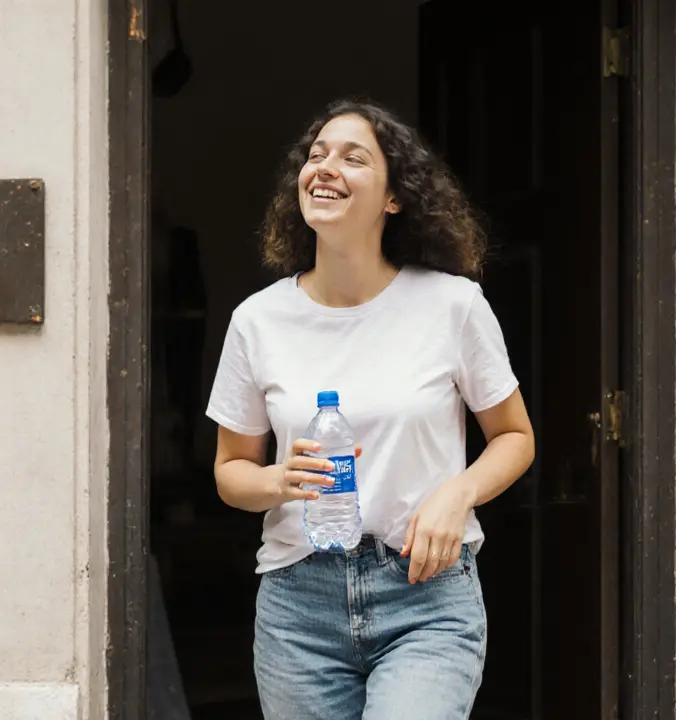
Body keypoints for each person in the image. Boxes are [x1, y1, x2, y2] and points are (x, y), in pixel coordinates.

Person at [205, 98, 536, 719]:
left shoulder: (452, 306)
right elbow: (230, 473)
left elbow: (515, 436)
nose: (325, 167)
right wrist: (278, 481)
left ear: (393, 197)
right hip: (298, 605)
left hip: (425, 595)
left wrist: (456, 494)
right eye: (316, 155)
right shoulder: (257, 321)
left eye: (353, 158)